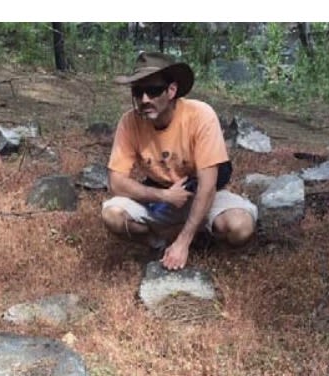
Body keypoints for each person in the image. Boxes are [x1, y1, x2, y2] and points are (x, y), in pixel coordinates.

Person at [101, 51, 257, 271]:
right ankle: (159, 243)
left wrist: (183, 242)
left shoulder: (200, 115)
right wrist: (163, 195)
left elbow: (208, 186)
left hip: (201, 194)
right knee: (112, 215)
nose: (145, 99)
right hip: (162, 196)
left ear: (171, 90)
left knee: (240, 226)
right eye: (138, 92)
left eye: (153, 90)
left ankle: (193, 239)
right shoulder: (129, 123)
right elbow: (116, 182)